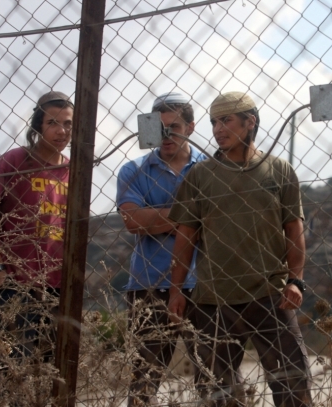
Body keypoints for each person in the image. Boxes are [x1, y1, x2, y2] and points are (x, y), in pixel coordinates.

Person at [167, 91, 312, 407]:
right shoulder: (200, 176)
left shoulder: (279, 170)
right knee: (218, 392)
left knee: (294, 384)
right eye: (213, 122)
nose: (218, 129)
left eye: (226, 120)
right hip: (215, 299)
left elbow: (294, 230)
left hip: (271, 295)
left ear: (250, 122)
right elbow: (186, 238)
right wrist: (176, 290)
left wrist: (295, 280)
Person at [0, 90, 74, 400]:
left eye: (68, 124)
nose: (62, 131)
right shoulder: (15, 161)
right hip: (14, 284)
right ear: (38, 125)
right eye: (53, 123)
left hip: (59, 288)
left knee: (53, 378)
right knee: (7, 378)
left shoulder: (74, 170)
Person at [116, 92, 206, 406]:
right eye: (160, 128)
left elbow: (219, 221)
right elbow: (132, 221)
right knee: (144, 380)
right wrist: (191, 218)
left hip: (204, 283)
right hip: (149, 284)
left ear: (190, 127)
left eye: (174, 127)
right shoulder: (133, 170)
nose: (167, 135)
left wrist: (157, 217)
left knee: (214, 376)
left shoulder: (210, 169)